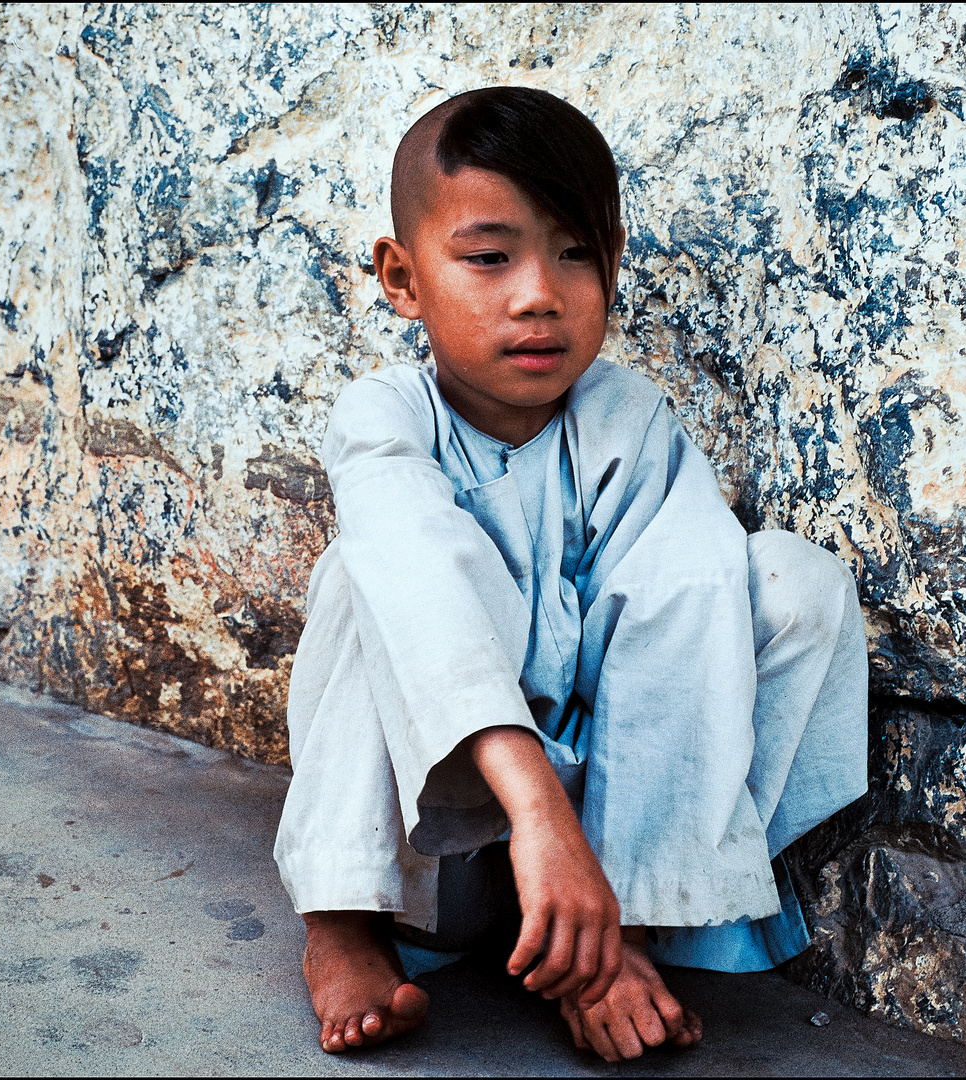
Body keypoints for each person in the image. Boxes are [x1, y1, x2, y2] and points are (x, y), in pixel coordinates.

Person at [273, 86, 868, 1062]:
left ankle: (609, 938)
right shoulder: (385, 418)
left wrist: (612, 908)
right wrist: (536, 814)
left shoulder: (627, 420)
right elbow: (422, 577)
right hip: (449, 840)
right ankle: (341, 922)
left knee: (783, 581)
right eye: (488, 256)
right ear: (401, 275)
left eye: (576, 251)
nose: (539, 293)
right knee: (362, 574)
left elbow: (683, 611)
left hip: (602, 843)